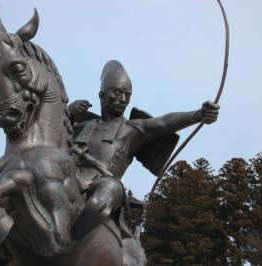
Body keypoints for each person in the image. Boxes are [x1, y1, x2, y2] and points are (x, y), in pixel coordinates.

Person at [69, 60, 219, 239]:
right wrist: (68, 112)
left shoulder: (131, 129)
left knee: (105, 192)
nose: (123, 99)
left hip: (104, 185)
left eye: (127, 95)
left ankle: (70, 238)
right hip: (72, 178)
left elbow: (164, 122)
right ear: (102, 95)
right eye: (117, 92)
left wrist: (198, 115)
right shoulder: (83, 125)